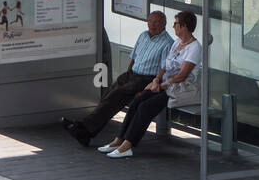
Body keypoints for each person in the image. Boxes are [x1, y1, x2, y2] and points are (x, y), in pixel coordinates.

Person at [62, 10, 173, 147]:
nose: (152, 25)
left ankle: (84, 129)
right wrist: (127, 74)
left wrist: (149, 88)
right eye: (150, 21)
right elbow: (134, 57)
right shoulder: (143, 35)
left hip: (146, 79)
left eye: (156, 22)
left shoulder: (167, 43)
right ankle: (86, 130)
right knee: (108, 95)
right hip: (132, 74)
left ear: (164, 24)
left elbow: (165, 68)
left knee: (115, 96)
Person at [100, 11, 201, 159]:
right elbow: (165, 66)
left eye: (176, 24)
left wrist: (162, 85)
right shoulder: (177, 43)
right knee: (137, 101)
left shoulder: (194, 47)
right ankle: (118, 140)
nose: (174, 27)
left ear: (184, 26)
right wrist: (156, 80)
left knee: (145, 107)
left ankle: (128, 145)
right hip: (164, 84)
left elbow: (182, 76)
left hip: (179, 90)